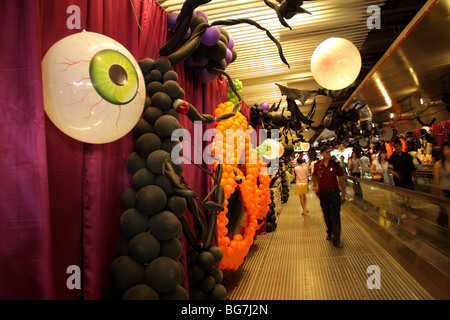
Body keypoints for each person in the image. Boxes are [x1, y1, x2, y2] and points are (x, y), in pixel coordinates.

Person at [312, 145, 346, 248]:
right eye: (326, 152)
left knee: (335, 215)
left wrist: (343, 192)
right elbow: (315, 176)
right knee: (326, 214)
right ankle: (329, 231)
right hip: (323, 194)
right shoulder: (317, 165)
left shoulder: (335, 164)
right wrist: (316, 187)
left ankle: (337, 239)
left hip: (334, 192)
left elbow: (341, 178)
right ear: (322, 153)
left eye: (329, 152)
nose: (328, 154)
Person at [389, 139, 417, 207]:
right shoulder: (392, 157)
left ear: (401, 146)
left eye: (398, 146)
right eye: (396, 147)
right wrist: (395, 173)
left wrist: (415, 178)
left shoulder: (407, 156)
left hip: (408, 178)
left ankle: (407, 203)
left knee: (408, 193)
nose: (397, 148)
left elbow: (412, 167)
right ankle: (403, 205)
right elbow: (389, 169)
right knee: (401, 194)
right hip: (398, 180)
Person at [432, 141, 450, 229]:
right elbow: (436, 180)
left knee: (446, 215)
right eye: (446, 149)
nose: (449, 151)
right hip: (444, 193)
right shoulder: (438, 164)